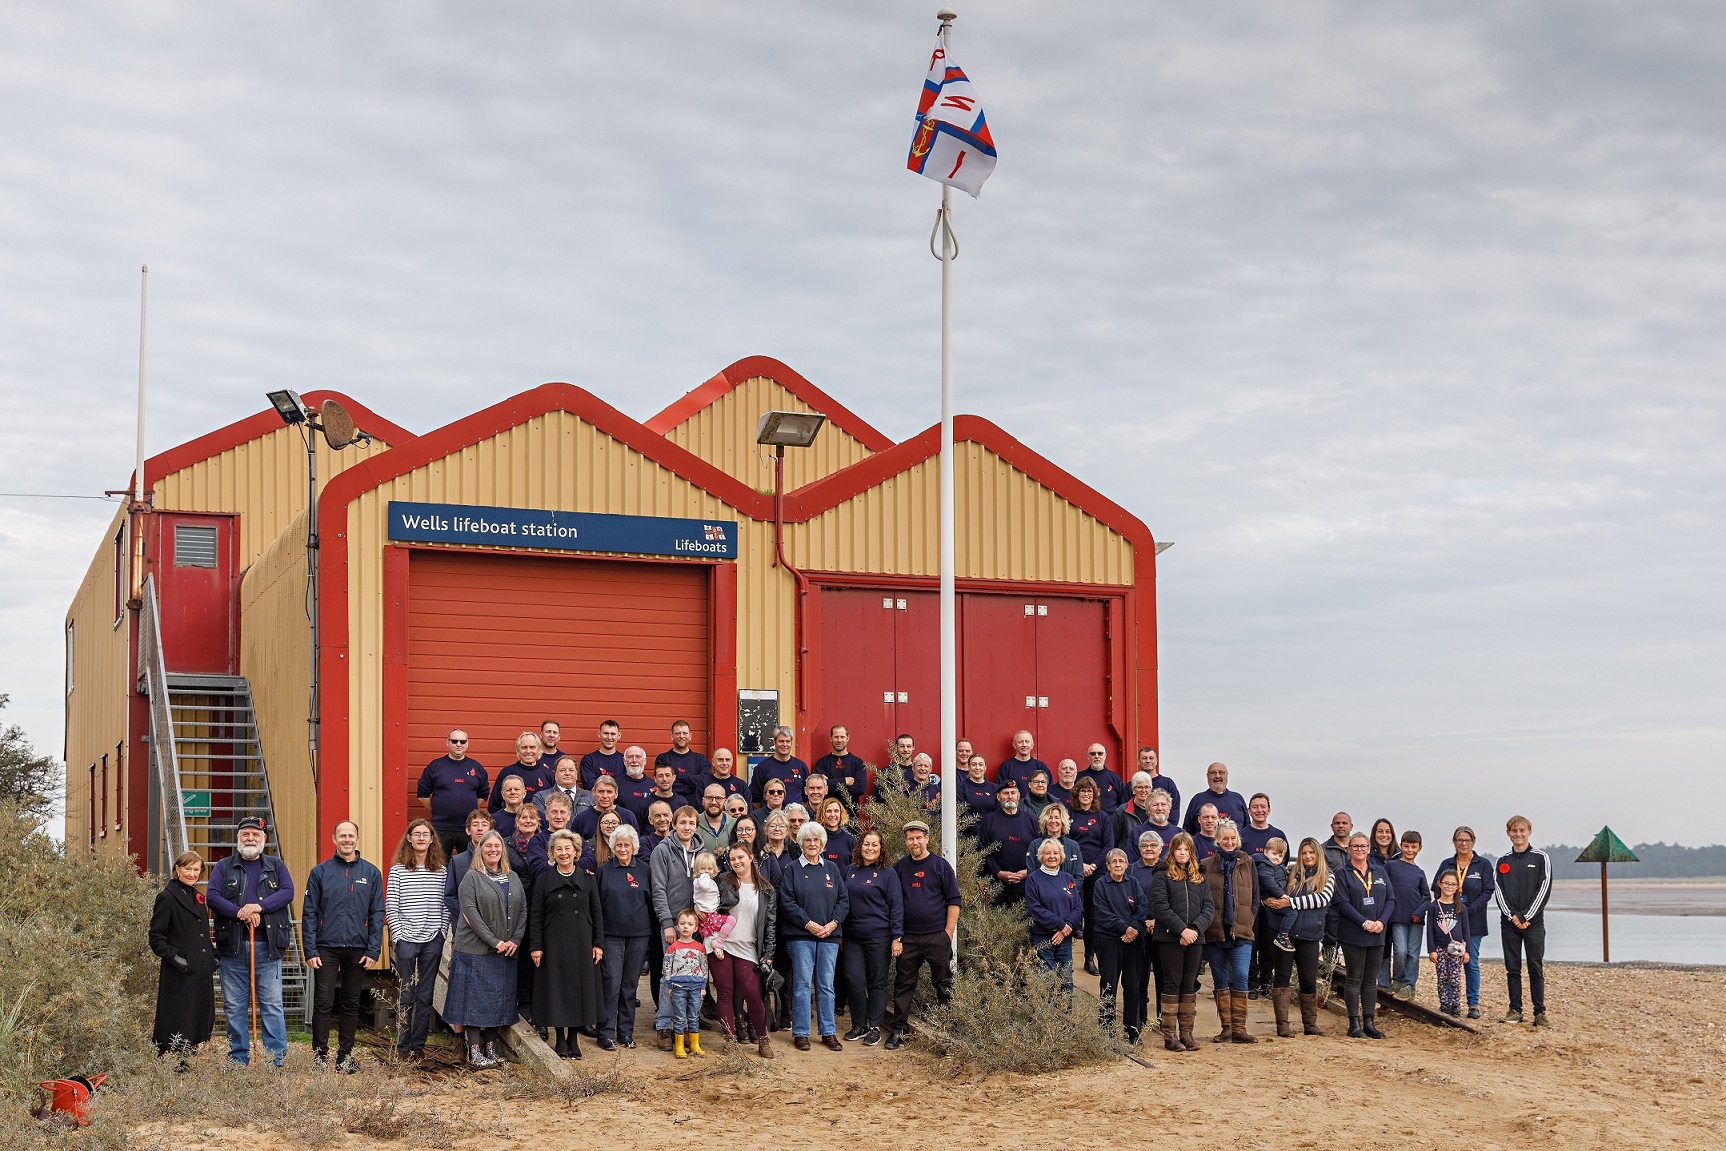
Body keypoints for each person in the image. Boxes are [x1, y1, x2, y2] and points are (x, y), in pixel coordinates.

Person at [206, 816, 294, 1066]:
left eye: (255, 835)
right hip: (232, 948)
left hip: (268, 948)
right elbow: (212, 896)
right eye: (245, 834)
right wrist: (239, 912)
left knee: (272, 1005)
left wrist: (259, 906)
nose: (250, 838)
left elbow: (288, 892)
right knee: (234, 1006)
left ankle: (274, 1060)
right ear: (238, 839)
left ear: (264, 839)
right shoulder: (224, 866)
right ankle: (238, 1058)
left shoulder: (276, 865)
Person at [445, 830, 527, 1069]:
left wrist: (516, 940)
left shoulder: (512, 877)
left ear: (503, 850)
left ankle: (490, 1049)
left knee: (497, 1001)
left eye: (497, 846)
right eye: (488, 846)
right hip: (475, 950)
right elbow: (471, 914)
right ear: (480, 850)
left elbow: (522, 911)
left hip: (506, 951)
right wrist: (494, 941)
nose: (493, 850)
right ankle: (474, 1051)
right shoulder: (471, 877)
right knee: (474, 1001)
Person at [529, 829, 605, 1058]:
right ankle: (560, 1038)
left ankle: (574, 1038)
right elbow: (536, 916)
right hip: (554, 944)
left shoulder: (588, 878)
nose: (563, 853)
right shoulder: (544, 880)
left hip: (582, 943)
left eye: (567, 849)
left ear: (576, 852)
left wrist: (598, 943)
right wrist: (536, 946)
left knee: (577, 991)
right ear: (552, 853)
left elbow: (597, 913)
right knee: (556, 991)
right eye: (558, 849)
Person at [885, 820, 961, 1049]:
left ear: (927, 838)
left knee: (944, 983)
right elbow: (894, 902)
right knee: (903, 984)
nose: (915, 842)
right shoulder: (900, 867)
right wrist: (896, 935)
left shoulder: (940, 866)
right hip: (909, 937)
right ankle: (899, 1029)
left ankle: (949, 1030)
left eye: (919, 837)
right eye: (910, 838)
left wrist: (948, 933)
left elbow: (954, 901)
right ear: (906, 841)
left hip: (936, 936)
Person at [778, 822, 850, 1051]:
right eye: (807, 840)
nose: (812, 844)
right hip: (801, 936)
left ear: (822, 844)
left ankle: (828, 1032)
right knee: (801, 985)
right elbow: (787, 901)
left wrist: (832, 924)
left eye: (816, 840)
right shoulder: (792, 869)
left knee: (826, 985)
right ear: (801, 843)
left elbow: (843, 900)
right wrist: (808, 924)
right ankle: (801, 1033)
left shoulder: (832, 868)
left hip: (828, 936)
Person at [386, 819, 448, 1060]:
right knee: (406, 993)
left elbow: (445, 906)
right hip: (407, 940)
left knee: (425, 995)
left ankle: (418, 1046)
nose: (421, 838)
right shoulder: (399, 870)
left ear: (432, 839)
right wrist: (398, 936)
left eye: (426, 834)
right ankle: (402, 1046)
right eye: (416, 834)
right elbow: (392, 905)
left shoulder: (440, 871)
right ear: (409, 838)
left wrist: (441, 932)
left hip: (433, 938)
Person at [148, 850, 215, 1066]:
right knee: (177, 1018)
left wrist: (212, 959)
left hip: (199, 969)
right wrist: (177, 959)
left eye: (196, 869)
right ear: (177, 869)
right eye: (188, 868)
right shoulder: (167, 897)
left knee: (195, 1017)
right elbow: (156, 938)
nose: (192, 873)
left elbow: (202, 933)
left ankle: (184, 1061)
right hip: (179, 971)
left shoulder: (198, 897)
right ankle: (167, 1064)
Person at [1148, 832, 1213, 1052]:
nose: (1183, 853)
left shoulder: (1200, 877)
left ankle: (1187, 1033)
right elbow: (1160, 906)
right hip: (1169, 938)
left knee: (1189, 984)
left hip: (1195, 939)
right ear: (1172, 851)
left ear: (1192, 852)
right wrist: (1181, 930)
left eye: (1186, 849)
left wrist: (1194, 930)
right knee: (1171, 983)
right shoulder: (1162, 875)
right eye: (1179, 849)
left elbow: (1208, 907)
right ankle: (1170, 1035)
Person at [1201, 820, 1260, 1043]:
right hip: (1215, 931)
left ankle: (1240, 1029)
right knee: (1220, 979)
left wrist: (1249, 917)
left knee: (1241, 976)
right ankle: (1226, 1028)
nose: (1229, 842)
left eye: (1232, 838)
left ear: (1238, 840)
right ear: (1217, 840)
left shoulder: (1248, 862)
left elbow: (1255, 896)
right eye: (1224, 838)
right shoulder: (1206, 864)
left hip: (1241, 930)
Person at [595, 825, 653, 1050]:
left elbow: (649, 902)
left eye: (626, 845)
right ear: (612, 846)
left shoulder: (644, 869)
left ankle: (626, 1033)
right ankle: (605, 1032)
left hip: (639, 935)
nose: (622, 848)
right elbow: (597, 906)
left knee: (630, 985)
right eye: (618, 844)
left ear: (634, 847)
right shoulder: (604, 871)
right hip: (611, 936)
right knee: (611, 983)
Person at [841, 830, 902, 1045]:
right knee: (854, 979)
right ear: (860, 846)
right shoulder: (850, 870)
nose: (870, 848)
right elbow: (841, 901)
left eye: (874, 845)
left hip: (879, 936)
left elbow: (896, 907)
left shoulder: (888, 873)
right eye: (866, 844)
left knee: (877, 981)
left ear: (881, 848)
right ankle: (859, 1024)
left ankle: (874, 1026)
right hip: (852, 935)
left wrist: (897, 937)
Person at [649, 806, 702, 1049]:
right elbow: (658, 890)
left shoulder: (701, 852)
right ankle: (665, 1026)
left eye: (691, 823)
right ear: (674, 824)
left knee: (693, 973)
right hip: (673, 925)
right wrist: (667, 923)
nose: (687, 827)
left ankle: (688, 1025)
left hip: (697, 924)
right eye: (683, 823)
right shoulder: (662, 851)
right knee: (670, 975)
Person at [1336, 832, 1396, 1039]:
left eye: (1363, 846)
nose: (1360, 849)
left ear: (1369, 849)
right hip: (1353, 933)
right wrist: (1364, 922)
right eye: (1355, 846)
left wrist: (1382, 922)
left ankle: (1369, 1022)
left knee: (1371, 980)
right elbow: (1341, 903)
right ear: (1349, 849)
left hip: (1378, 933)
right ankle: (1354, 1024)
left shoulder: (1379, 871)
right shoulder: (1342, 874)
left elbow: (1391, 899)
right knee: (1354, 978)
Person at [1273, 838, 1336, 1037]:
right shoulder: (1290, 872)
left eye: (1312, 852)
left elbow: (1320, 899)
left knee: (1308, 979)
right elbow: (1274, 891)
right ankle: (1282, 1025)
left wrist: (1289, 902)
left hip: (1310, 934)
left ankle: (1310, 1024)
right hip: (1286, 935)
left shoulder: (1328, 876)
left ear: (1318, 854)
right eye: (1304, 853)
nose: (1308, 856)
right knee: (1282, 979)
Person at [1434, 825, 1496, 1020]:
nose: (1463, 843)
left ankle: (1473, 1004)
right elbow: (1436, 887)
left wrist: (1469, 909)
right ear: (1454, 842)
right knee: (1449, 963)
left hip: (1474, 921)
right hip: (1450, 924)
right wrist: (1448, 908)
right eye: (1459, 840)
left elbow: (1488, 891)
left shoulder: (1482, 864)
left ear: (1473, 842)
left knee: (1470, 962)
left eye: (1467, 840)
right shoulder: (1447, 864)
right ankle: (1450, 1003)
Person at [1495, 815, 1552, 1026]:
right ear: (1508, 833)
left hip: (1533, 924)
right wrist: (1513, 916)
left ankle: (1539, 1013)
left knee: (1535, 967)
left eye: (1522, 831)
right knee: (1512, 968)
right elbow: (1499, 892)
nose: (1518, 834)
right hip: (1509, 924)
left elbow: (1543, 889)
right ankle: (1515, 1010)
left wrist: (1526, 916)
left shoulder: (1540, 858)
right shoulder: (1502, 861)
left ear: (1529, 832)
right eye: (1514, 831)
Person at [1091, 848, 1146, 1040]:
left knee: (1132, 986)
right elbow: (1103, 913)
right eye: (1113, 861)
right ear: (1107, 865)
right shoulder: (1100, 885)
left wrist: (1134, 930)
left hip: (1133, 942)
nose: (1117, 865)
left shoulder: (1133, 882)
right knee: (1109, 986)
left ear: (1126, 864)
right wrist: (1125, 929)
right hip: (1109, 941)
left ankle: (1132, 1031)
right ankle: (1106, 1032)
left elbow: (1142, 907)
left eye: (1121, 861)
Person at [1067, 776, 1113, 976]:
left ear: (1094, 795)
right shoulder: (1069, 815)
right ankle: (1065, 959)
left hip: (1097, 870)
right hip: (1074, 869)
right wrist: (1080, 865)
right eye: (1082, 791)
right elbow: (1065, 840)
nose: (1086, 794)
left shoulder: (1102, 817)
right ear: (1077, 793)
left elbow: (1108, 845)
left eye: (1089, 792)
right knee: (1073, 912)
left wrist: (1093, 865)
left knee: (1093, 916)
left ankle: (1089, 958)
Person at [418, 729, 489, 855]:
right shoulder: (435, 766)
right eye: (454, 741)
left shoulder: (476, 768)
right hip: (441, 828)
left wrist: (469, 807)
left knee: (468, 865)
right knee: (439, 866)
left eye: (462, 741)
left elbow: (483, 794)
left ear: (467, 744)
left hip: (468, 828)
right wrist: (437, 808)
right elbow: (422, 794)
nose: (458, 744)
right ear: (447, 743)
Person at [1251, 837, 1297, 1032]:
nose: (1277, 858)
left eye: (1280, 855)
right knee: (1290, 912)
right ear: (1266, 851)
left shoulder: (1281, 868)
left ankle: (1265, 981)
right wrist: (1283, 896)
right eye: (1274, 854)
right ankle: (1283, 935)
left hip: (1274, 903)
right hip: (1268, 900)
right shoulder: (1263, 865)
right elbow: (1268, 881)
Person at [1026, 837, 1083, 994]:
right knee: (1047, 981)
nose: (1052, 856)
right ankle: (1047, 1018)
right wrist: (1060, 925)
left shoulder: (1068, 879)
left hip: (1065, 938)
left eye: (1056, 853)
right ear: (1041, 856)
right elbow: (1035, 908)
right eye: (1047, 853)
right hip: (1042, 938)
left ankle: (1065, 1017)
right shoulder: (1033, 879)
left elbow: (1077, 906)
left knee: (1066, 981)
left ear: (1061, 856)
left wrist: (1067, 927)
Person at [1384, 831, 1431, 1000]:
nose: (1409, 850)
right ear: (1401, 846)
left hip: (1416, 920)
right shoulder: (1391, 866)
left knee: (1413, 953)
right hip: (1397, 918)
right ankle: (1397, 979)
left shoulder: (1419, 872)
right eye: (1406, 846)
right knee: (1400, 951)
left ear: (1420, 848)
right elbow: (1384, 888)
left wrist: (1419, 913)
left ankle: (1409, 984)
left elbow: (1427, 896)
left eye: (1413, 847)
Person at [1125, 832, 1163, 1032]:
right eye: (1145, 846)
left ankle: (1163, 1017)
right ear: (1139, 849)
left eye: (1153, 845)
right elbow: (1128, 900)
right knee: (1139, 976)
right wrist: (1143, 921)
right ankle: (1140, 1017)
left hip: (1163, 929)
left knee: (1163, 976)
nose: (1149, 849)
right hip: (1139, 930)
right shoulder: (1131, 870)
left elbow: (1173, 900)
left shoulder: (1167, 869)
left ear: (1160, 848)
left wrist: (1158, 920)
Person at [980, 780, 1038, 904]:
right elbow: (983, 850)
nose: (1010, 796)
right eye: (1006, 793)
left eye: (1013, 793)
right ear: (998, 796)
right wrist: (998, 872)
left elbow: (1038, 850)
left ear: (1018, 795)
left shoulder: (1031, 820)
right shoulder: (989, 820)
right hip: (997, 886)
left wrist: (1028, 871)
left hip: (1026, 885)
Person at [663, 909, 710, 1058]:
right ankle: (679, 1045)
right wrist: (669, 985)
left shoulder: (700, 948)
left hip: (696, 988)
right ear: (677, 926)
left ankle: (695, 1044)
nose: (685, 927)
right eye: (682, 923)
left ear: (695, 928)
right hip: (678, 988)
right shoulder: (673, 948)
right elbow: (667, 968)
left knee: (694, 1016)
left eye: (690, 924)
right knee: (679, 1016)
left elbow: (704, 968)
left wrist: (703, 986)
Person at [1425, 870, 1471, 1017]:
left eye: (1452, 884)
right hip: (1440, 949)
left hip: (1456, 950)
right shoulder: (1434, 906)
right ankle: (1445, 1004)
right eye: (1446, 883)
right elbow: (1430, 930)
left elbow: (1466, 930)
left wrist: (1467, 950)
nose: (1449, 887)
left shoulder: (1460, 907)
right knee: (1442, 978)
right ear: (1439, 884)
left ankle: (1456, 1006)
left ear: (1457, 887)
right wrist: (1431, 950)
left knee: (1455, 979)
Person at [487, 733, 554, 812]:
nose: (528, 751)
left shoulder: (548, 774)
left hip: (541, 822)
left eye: (532, 747)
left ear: (539, 749)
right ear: (518, 750)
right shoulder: (507, 773)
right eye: (524, 747)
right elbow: (494, 806)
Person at [814, 724, 871, 811]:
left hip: (851, 817)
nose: (839, 740)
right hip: (828, 814)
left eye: (842, 737)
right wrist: (844, 781)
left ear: (847, 738)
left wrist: (829, 784)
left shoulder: (858, 763)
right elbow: (818, 786)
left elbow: (860, 789)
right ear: (831, 738)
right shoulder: (822, 763)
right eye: (836, 737)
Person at [1181, 762, 1248, 835]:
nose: (1217, 776)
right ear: (1207, 776)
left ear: (1227, 776)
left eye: (1221, 772)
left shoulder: (1237, 799)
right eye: (1213, 773)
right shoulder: (1197, 800)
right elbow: (1187, 832)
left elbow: (1247, 829)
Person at [751, 726, 809, 808]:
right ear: (774, 742)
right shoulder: (762, 768)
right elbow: (755, 799)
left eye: (787, 741)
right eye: (781, 741)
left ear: (791, 742)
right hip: (771, 818)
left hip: (795, 819)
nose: (785, 745)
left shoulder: (801, 766)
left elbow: (806, 796)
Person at [573, 775, 640, 840]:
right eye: (601, 791)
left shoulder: (628, 817)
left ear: (616, 794)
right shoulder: (582, 819)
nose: (605, 796)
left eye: (609, 792)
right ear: (593, 792)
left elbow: (636, 846)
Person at [1030, 803, 1085, 882]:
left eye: (1057, 818)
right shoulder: (1035, 845)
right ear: (1044, 821)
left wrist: (1066, 892)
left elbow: (1079, 878)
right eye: (1050, 818)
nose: (1053, 821)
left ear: (1063, 821)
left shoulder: (1073, 846)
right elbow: (1031, 876)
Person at [655, 719, 713, 793]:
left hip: (694, 804)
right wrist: (692, 785)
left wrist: (679, 776)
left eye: (685, 733)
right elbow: (663, 783)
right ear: (672, 736)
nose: (681, 736)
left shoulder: (700, 759)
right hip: (670, 803)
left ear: (690, 736)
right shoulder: (663, 758)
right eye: (678, 733)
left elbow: (705, 782)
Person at [534, 755, 593, 820]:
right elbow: (542, 823)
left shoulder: (591, 797)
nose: (567, 773)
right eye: (562, 770)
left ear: (576, 774)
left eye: (571, 770)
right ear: (555, 775)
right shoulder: (541, 797)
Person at [1078, 743, 1125, 811]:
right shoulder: (1080, 778)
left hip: (1111, 820)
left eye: (1100, 753)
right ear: (1088, 756)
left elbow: (1122, 804)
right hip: (1085, 819)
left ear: (1105, 756)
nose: (1097, 756)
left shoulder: (1115, 778)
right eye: (1093, 754)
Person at [579, 719, 626, 788]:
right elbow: (590, 787)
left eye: (613, 734)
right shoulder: (589, 760)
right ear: (599, 734)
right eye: (606, 733)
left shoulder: (624, 760)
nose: (609, 737)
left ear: (619, 736)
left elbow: (627, 786)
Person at [1137, 746, 1180, 818]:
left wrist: (1165, 828)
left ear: (1156, 761)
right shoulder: (1132, 786)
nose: (1148, 761)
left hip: (1163, 828)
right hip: (1139, 828)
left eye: (1151, 758)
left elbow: (1174, 810)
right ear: (1138, 761)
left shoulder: (1168, 784)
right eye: (1144, 758)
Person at [695, 783, 737, 854]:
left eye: (718, 798)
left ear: (725, 802)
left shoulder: (735, 824)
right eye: (709, 798)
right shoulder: (694, 823)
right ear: (703, 801)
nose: (714, 802)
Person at [818, 797, 854, 867]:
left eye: (836, 811)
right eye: (828, 811)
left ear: (841, 814)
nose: (833, 815)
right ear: (822, 814)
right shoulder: (817, 839)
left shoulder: (850, 840)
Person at [491, 774, 530, 838]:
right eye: (508, 790)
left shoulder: (537, 817)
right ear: (502, 794)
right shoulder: (493, 820)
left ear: (524, 793)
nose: (513, 792)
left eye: (517, 789)